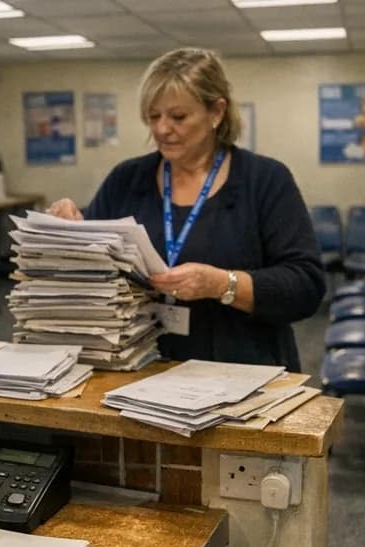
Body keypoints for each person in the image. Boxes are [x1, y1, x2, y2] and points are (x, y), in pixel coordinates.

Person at [46, 48, 324, 372]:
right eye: (153, 116)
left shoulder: (265, 180)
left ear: (216, 112)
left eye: (178, 117)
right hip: (141, 369)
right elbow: (90, 267)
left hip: (244, 372)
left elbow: (306, 286)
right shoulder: (127, 179)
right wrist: (68, 229)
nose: (162, 129)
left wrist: (222, 284)